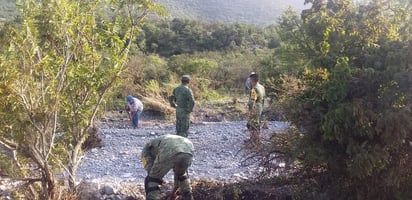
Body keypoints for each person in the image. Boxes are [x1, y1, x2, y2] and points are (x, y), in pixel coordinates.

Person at [141, 134, 195, 200]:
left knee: (152, 179)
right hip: (188, 148)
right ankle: (189, 197)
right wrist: (173, 191)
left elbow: (150, 170)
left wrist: (158, 179)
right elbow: (178, 174)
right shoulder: (159, 142)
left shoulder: (145, 150)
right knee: (181, 175)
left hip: (169, 149)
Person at [246, 73, 266, 146]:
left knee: (251, 124)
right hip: (260, 107)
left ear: (252, 80)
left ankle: (254, 140)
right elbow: (263, 98)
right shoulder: (262, 87)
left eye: (250, 80)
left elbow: (252, 101)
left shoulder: (254, 89)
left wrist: (250, 111)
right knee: (257, 123)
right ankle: (257, 140)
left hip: (255, 108)